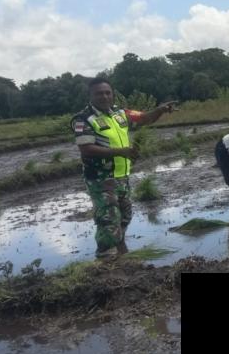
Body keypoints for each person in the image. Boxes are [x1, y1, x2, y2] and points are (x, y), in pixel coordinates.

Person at [71, 77, 177, 259]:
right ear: (91, 95)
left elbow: (144, 118)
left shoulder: (120, 113)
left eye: (108, 93)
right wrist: (121, 152)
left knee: (125, 215)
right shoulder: (83, 119)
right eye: (99, 93)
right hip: (101, 177)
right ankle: (106, 257)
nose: (104, 96)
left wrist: (160, 110)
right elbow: (86, 148)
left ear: (112, 94)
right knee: (108, 218)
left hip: (122, 175)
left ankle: (121, 251)